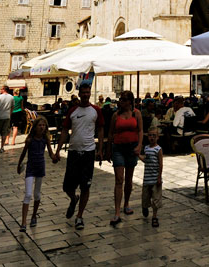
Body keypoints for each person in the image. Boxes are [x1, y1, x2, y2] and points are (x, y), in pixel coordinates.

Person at [55, 83, 105, 230]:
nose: (85, 95)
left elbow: (101, 130)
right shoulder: (72, 111)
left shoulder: (96, 110)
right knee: (67, 186)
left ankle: (79, 216)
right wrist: (58, 150)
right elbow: (64, 130)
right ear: (79, 93)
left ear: (90, 93)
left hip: (89, 153)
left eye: (87, 92)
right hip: (73, 152)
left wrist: (100, 150)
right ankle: (73, 198)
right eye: (83, 92)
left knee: (85, 186)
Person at [107, 90, 143, 227]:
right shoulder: (115, 116)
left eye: (122, 100)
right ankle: (117, 212)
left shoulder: (136, 114)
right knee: (119, 179)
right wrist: (108, 150)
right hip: (118, 149)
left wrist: (139, 145)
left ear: (129, 102)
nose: (120, 102)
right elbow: (110, 133)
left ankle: (126, 203)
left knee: (128, 179)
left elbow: (140, 130)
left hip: (132, 148)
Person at [17, 117, 59, 231]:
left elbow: (50, 153)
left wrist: (55, 157)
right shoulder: (30, 140)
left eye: (43, 125)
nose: (42, 127)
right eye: (40, 125)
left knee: (37, 194)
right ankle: (23, 222)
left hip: (40, 168)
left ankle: (34, 215)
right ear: (35, 127)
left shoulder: (45, 139)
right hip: (30, 168)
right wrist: (19, 164)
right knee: (28, 194)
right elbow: (23, 152)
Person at [139, 127, 163, 227]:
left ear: (157, 137)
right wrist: (139, 156)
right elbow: (146, 160)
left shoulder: (158, 149)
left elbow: (160, 164)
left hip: (155, 178)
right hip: (147, 179)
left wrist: (159, 177)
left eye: (154, 135)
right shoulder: (146, 148)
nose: (152, 137)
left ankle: (154, 216)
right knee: (145, 197)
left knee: (156, 198)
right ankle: (145, 207)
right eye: (150, 135)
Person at [0, 86, 14, 153]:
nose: (0, 90)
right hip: (7, 117)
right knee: (4, 132)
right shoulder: (11, 97)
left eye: (1, 89)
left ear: (4, 90)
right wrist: (9, 114)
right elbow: (12, 107)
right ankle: (2, 147)